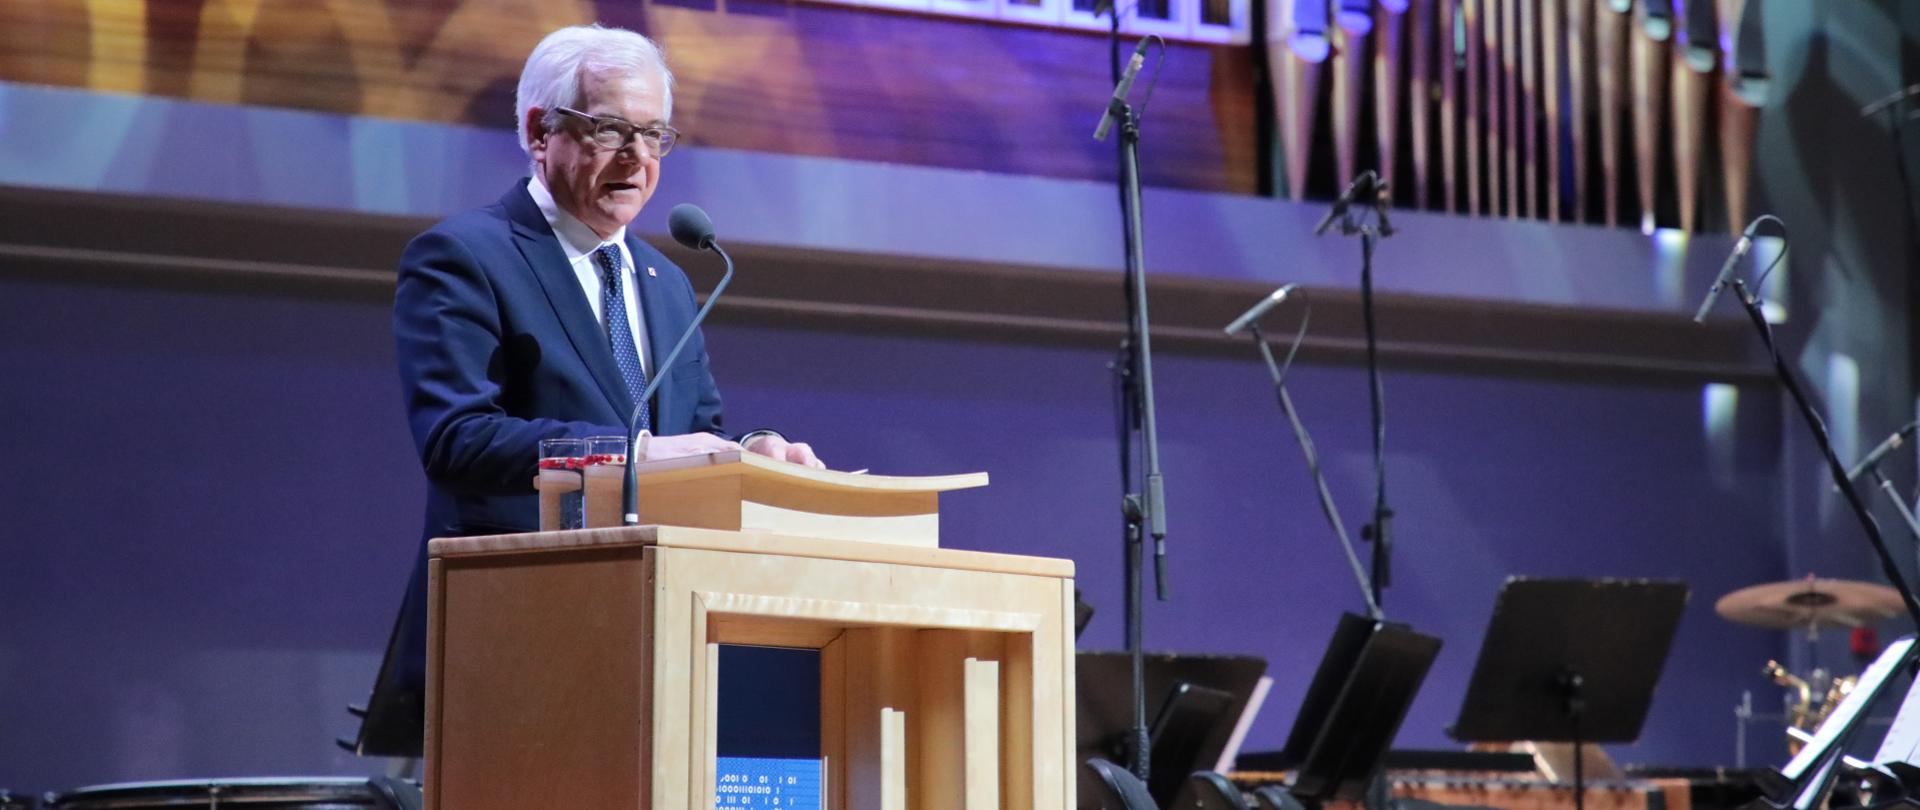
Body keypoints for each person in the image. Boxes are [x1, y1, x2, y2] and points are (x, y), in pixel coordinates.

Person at [358, 24, 820, 754]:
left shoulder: (666, 285)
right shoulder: (465, 257)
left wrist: (748, 453)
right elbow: (457, 441)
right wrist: (635, 454)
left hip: (659, 651)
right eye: (610, 130)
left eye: (654, 134)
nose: (637, 157)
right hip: (512, 646)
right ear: (541, 132)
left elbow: (693, 434)